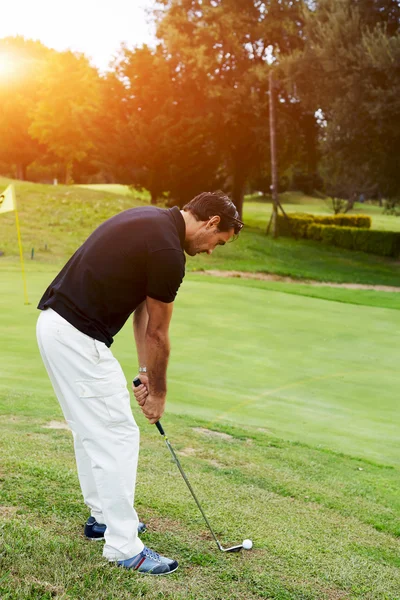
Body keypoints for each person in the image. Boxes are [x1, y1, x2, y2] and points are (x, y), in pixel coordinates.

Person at [36, 190, 243, 576]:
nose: (213, 250)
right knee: (117, 435)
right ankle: (124, 547)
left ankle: (103, 519)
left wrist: (146, 373)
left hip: (56, 327)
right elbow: (159, 334)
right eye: (218, 240)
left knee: (91, 431)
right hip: (77, 336)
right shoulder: (168, 254)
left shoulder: (150, 220)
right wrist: (159, 395)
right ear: (212, 222)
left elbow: (141, 315)